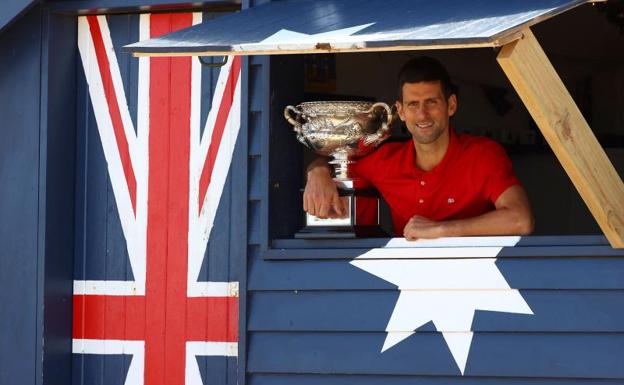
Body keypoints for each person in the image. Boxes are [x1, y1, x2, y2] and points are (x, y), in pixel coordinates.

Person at [304, 56, 534, 241]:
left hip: (475, 282)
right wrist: (317, 172)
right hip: (407, 286)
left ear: (451, 105)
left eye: (431, 102)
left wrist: (441, 230)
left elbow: (520, 220)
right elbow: (340, 161)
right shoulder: (385, 160)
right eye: (413, 104)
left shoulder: (482, 154)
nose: (422, 115)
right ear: (400, 111)